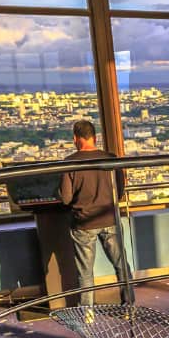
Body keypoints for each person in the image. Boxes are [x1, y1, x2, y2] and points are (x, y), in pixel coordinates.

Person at [58, 118, 132, 306]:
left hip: (83, 222)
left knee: (85, 272)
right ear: (95, 137)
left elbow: (66, 198)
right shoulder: (111, 159)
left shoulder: (69, 163)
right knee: (121, 265)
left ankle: (87, 313)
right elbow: (120, 192)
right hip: (110, 218)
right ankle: (129, 305)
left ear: (75, 139)